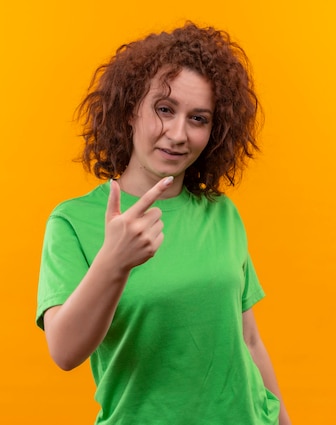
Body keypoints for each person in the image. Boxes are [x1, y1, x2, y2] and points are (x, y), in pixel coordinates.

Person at [36, 22, 292, 425]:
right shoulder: (72, 222)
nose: (177, 134)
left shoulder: (221, 213)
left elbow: (249, 340)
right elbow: (64, 352)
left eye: (198, 118)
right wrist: (113, 262)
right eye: (165, 109)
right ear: (129, 111)